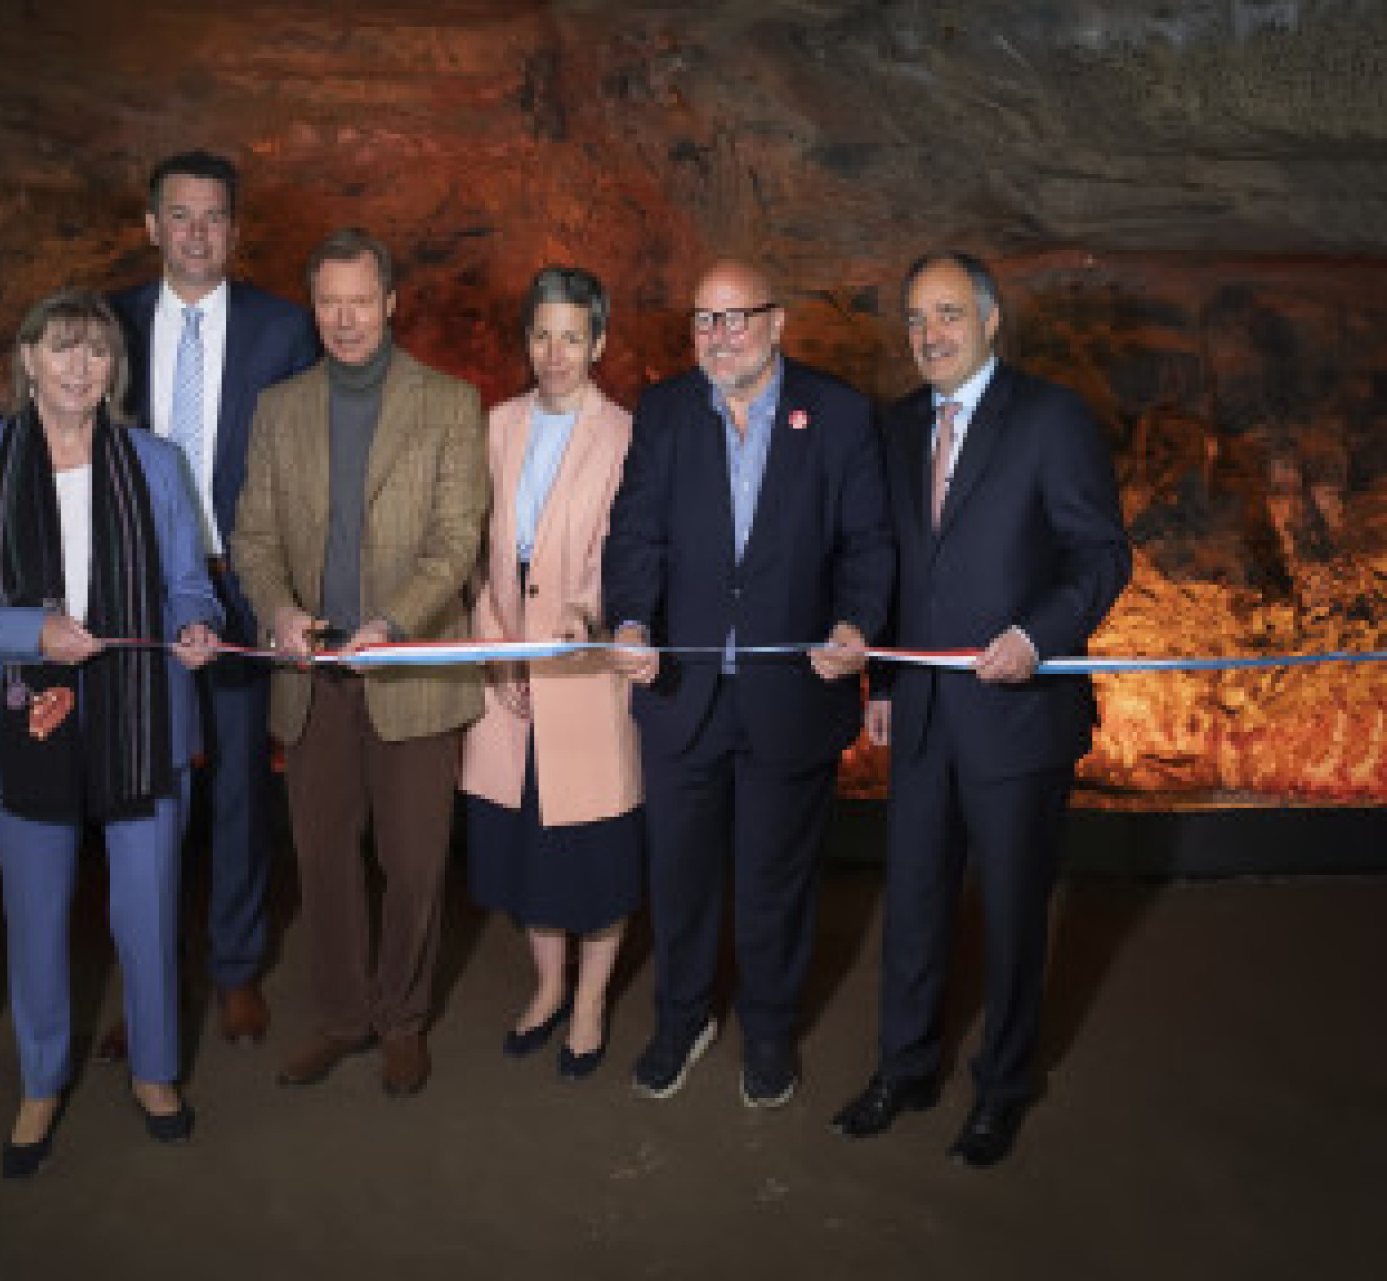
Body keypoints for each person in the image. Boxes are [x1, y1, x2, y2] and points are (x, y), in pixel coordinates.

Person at [828, 252, 1130, 1168]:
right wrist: (879, 683)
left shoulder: (1051, 419)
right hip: (919, 716)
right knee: (913, 905)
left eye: (950, 314)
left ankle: (1003, 1087)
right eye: (917, 319)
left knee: (1009, 914)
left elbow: (1101, 555)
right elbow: (885, 562)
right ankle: (906, 1068)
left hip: (1018, 719)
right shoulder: (896, 424)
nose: (931, 335)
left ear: (992, 320)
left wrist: (1038, 637)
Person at [0, 289, 220, 1178]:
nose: (80, 367)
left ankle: (157, 1071)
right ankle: (43, 1079)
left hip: (140, 711)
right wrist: (32, 633)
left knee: (146, 908)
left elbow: (190, 584)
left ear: (113, 367)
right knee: (38, 914)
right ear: (29, 358)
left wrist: (198, 625)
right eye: (62, 348)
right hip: (24, 717)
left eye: (97, 351)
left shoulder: (155, 462)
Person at [602, 258, 892, 1107]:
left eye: (735, 319)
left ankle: (768, 1030)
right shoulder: (663, 411)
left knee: (775, 878)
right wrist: (629, 620)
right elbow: (636, 536)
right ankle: (681, 1016)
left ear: (777, 323)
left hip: (791, 696)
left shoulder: (837, 415)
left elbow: (870, 544)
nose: (718, 337)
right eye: (703, 320)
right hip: (681, 694)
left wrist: (855, 627)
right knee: (681, 874)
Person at [229, 228, 487, 1098]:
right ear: (315, 304)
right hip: (313, 677)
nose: (344, 317)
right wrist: (278, 610)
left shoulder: (450, 402)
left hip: (410, 670)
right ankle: (341, 1016)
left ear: (390, 302)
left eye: (360, 299)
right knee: (324, 858)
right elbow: (253, 539)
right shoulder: (279, 408)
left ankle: (402, 1017)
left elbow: (457, 542)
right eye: (329, 299)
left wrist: (395, 622)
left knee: (414, 864)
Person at [106, 150, 320, 1056]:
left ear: (236, 230)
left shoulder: (282, 328)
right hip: (132, 591)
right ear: (152, 226)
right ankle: (145, 986)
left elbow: (306, 464)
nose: (197, 233)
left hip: (238, 584)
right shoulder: (107, 321)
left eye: (214, 217)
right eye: (179, 216)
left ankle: (235, 969)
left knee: (237, 785)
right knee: (139, 792)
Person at [460, 266, 643, 1081]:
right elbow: (474, 553)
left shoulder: (627, 434)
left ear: (598, 341)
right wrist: (497, 649)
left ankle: (594, 1003)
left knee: (593, 854)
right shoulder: (494, 425)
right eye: (542, 334)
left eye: (573, 335)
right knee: (526, 850)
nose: (556, 351)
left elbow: (627, 551)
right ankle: (546, 987)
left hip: (585, 674)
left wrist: (585, 617)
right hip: (508, 676)